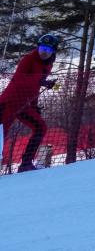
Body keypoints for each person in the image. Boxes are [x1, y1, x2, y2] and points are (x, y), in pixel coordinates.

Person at [0, 33, 60, 173]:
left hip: (23, 106)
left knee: (41, 127)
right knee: (1, 135)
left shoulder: (48, 64)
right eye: (42, 48)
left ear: (53, 51)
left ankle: (26, 163)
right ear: (38, 47)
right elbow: (19, 79)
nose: (44, 52)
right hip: (8, 103)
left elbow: (35, 89)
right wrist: (41, 81)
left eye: (48, 50)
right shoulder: (28, 59)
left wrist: (34, 106)